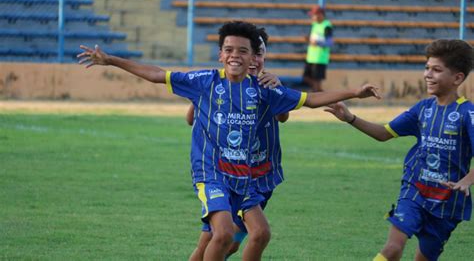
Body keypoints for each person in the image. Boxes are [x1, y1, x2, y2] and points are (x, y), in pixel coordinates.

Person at [78, 21, 380, 261]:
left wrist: (355, 92)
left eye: (244, 51)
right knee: (220, 236)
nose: (236, 55)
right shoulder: (205, 81)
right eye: (229, 50)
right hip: (212, 173)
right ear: (221, 54)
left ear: (253, 58)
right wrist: (111, 60)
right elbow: (158, 75)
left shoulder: (265, 89)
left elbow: (310, 100)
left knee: (258, 234)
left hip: (248, 177)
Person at [325, 39, 474, 261]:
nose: (427, 75)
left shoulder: (467, 113)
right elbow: (384, 133)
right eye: (426, 68)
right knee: (393, 248)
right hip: (415, 190)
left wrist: (467, 180)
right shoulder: (422, 109)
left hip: (447, 201)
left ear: (457, 78)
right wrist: (350, 118)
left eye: (436, 70)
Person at [188, 29, 289, 260]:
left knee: (230, 244)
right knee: (218, 239)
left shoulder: (267, 87)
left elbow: (283, 116)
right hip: (230, 174)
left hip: (261, 176)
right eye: (251, 53)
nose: (254, 60)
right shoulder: (219, 86)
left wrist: (278, 87)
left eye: (259, 54)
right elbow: (190, 118)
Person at [303, 5, 333, 92]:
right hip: (311, 57)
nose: (312, 17)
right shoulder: (315, 24)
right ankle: (323, 96)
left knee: (316, 83)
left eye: (314, 15)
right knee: (306, 78)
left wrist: (317, 43)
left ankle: (321, 97)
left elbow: (329, 42)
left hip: (320, 58)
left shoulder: (327, 26)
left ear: (320, 14)